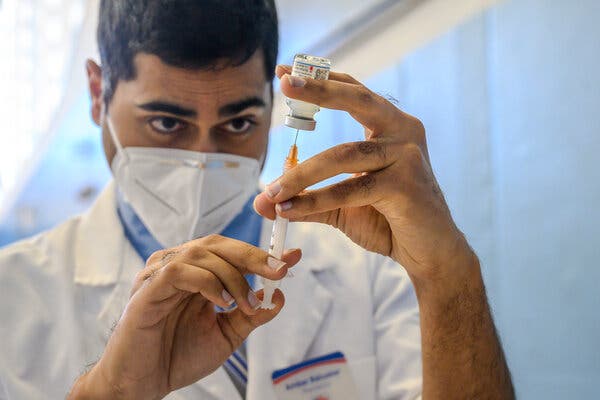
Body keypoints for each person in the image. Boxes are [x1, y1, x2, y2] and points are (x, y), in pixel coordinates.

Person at [0, 0, 515, 399]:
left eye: (239, 123)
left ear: (274, 106)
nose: (203, 158)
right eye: (165, 123)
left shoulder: (368, 269)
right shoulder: (14, 297)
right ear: (97, 94)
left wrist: (449, 274)